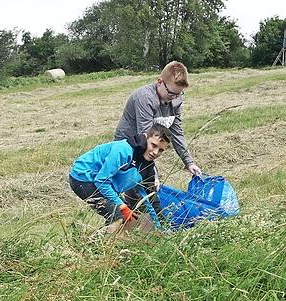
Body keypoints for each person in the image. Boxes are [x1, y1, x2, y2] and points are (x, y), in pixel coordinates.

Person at [114, 61, 201, 212]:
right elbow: (146, 140)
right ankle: (131, 222)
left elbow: (176, 131)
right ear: (159, 82)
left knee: (149, 192)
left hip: (149, 146)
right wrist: (153, 175)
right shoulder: (145, 98)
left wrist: (189, 162)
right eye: (171, 93)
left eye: (178, 94)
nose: (174, 98)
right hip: (130, 147)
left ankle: (147, 222)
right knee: (136, 187)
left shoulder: (175, 99)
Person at [69, 122, 174, 229]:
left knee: (132, 218)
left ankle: (111, 242)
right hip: (83, 178)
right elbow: (101, 181)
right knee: (118, 217)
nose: (155, 152)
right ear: (145, 137)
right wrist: (122, 206)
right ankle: (96, 244)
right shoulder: (124, 149)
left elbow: (151, 198)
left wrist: (163, 225)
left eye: (160, 150)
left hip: (102, 183)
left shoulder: (147, 168)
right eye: (153, 145)